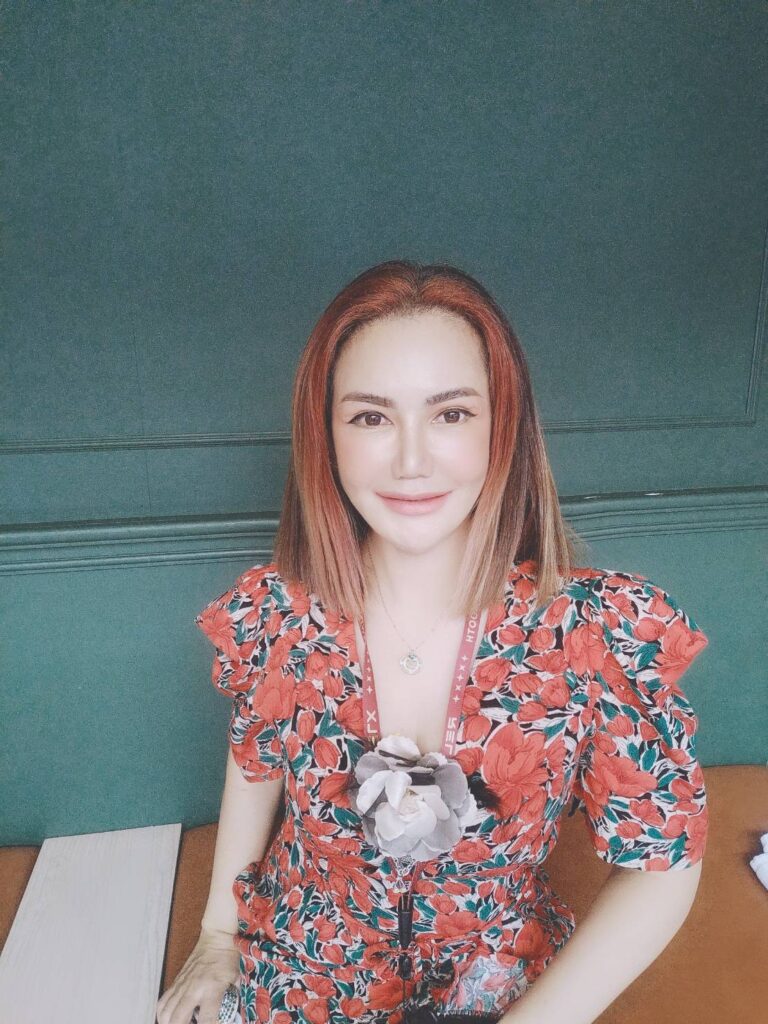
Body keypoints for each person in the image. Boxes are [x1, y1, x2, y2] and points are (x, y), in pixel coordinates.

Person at [156, 260, 710, 1024]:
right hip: (305, 960)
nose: (411, 460)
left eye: (450, 414)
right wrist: (219, 935)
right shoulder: (280, 613)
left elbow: (663, 859)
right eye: (371, 418)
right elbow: (256, 761)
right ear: (326, 436)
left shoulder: (591, 632)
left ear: (501, 427)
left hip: (506, 978)